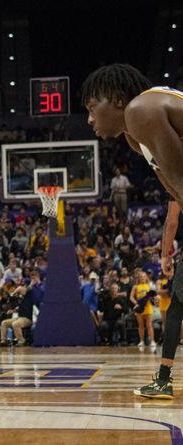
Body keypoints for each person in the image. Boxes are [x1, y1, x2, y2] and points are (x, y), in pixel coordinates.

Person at [82, 63, 183, 398]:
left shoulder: (143, 108)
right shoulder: (134, 136)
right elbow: (176, 192)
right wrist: (168, 246)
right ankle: (164, 379)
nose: (90, 119)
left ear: (116, 98)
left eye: (92, 108)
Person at [130, 271, 156, 353]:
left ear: (146, 277)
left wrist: (154, 299)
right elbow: (131, 297)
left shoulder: (149, 286)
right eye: (141, 277)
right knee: (140, 325)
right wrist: (137, 304)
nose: (142, 278)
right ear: (138, 278)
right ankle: (142, 341)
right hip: (140, 308)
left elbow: (153, 297)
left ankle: (152, 341)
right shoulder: (135, 287)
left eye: (144, 276)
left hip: (148, 308)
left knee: (149, 325)